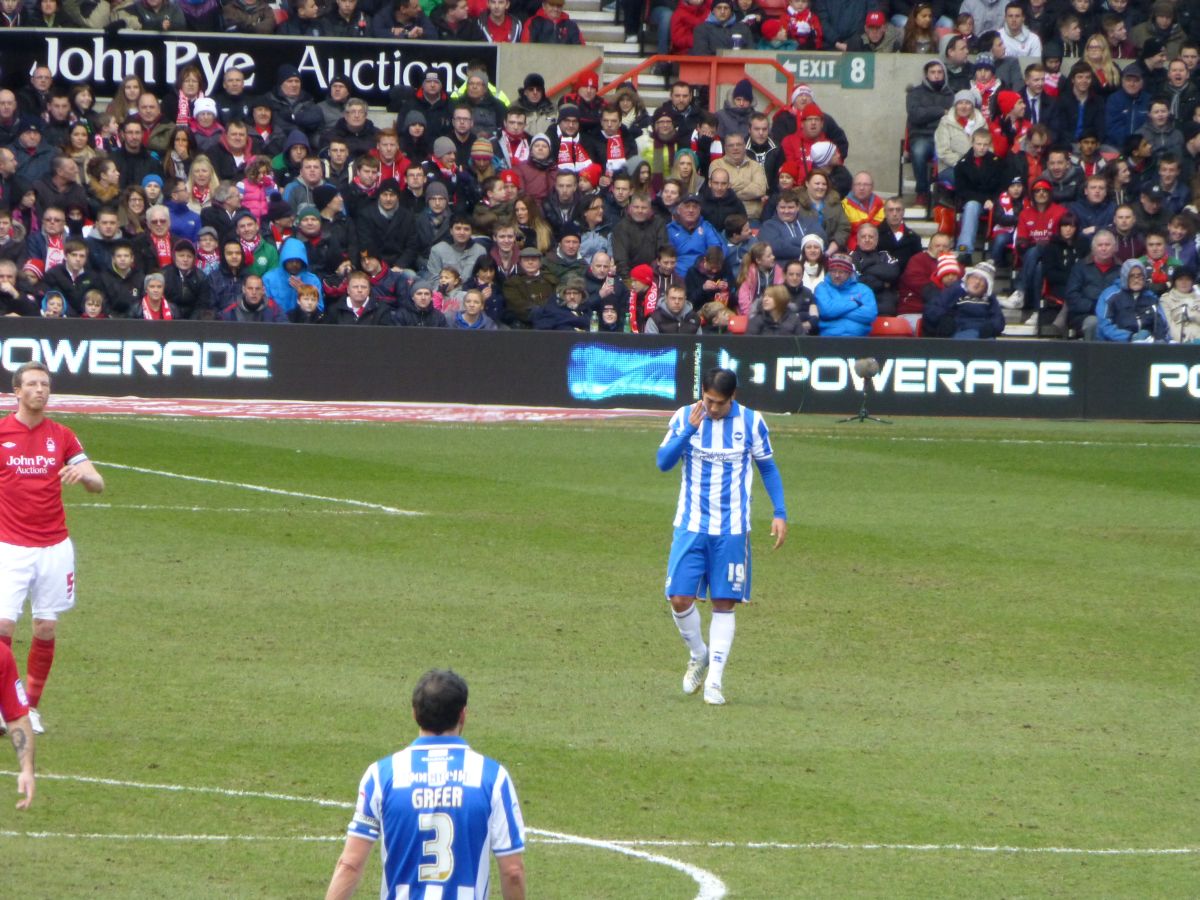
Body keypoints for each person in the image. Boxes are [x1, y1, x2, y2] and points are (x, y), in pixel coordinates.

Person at [326, 668, 525, 900]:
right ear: (463, 715)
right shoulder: (492, 777)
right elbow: (513, 872)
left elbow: (350, 864)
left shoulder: (380, 776)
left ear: (414, 714)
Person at [656, 367, 787, 707]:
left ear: (733, 398)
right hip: (691, 524)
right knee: (679, 599)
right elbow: (663, 462)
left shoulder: (751, 422)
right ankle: (698, 654)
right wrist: (688, 431)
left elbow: (767, 467)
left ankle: (715, 680)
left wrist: (780, 512)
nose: (712, 409)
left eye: (719, 403)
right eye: (708, 400)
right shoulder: (686, 416)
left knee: (724, 603)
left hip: (732, 529)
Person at [0, 361, 105, 735]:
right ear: (16, 391)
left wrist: (86, 475)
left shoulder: (61, 435)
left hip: (54, 547)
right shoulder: (1, 432)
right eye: (32, 384)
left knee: (45, 626)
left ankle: (29, 708)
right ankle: (4, 705)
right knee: (3, 627)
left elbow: (98, 483)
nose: (40, 390)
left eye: (45, 384)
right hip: (9, 547)